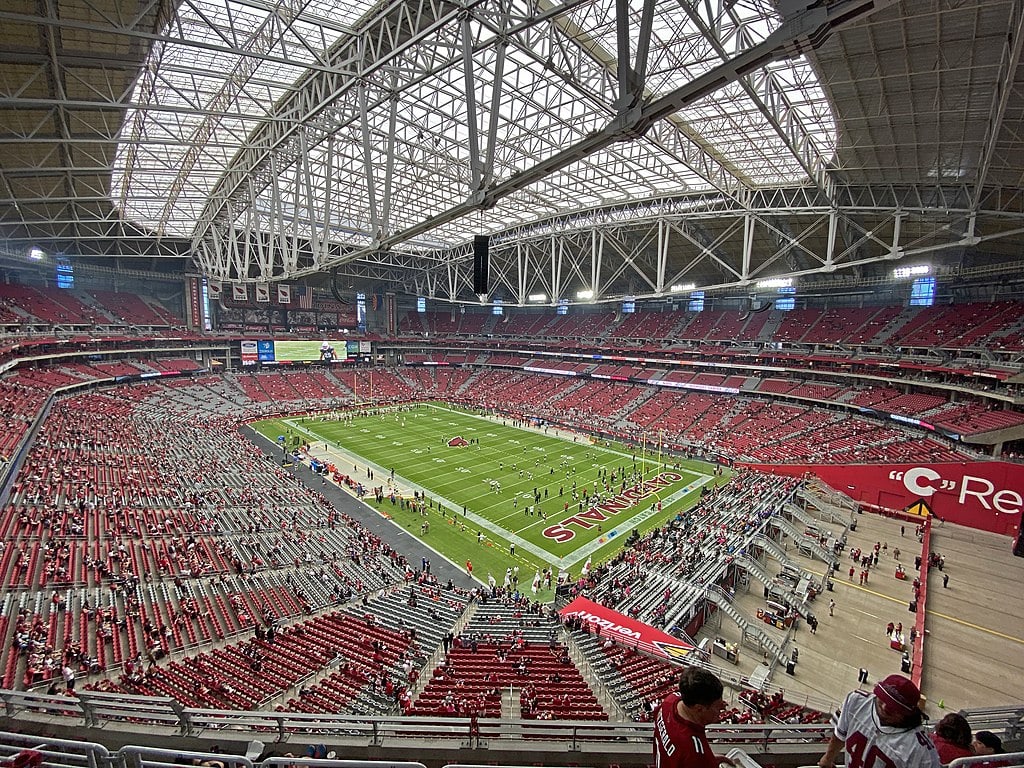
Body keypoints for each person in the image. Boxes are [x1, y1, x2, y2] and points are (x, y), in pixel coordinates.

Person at [818, 674, 939, 768]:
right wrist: (828, 759)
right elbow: (840, 734)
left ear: (908, 713)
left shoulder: (920, 750)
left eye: (894, 706)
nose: (885, 706)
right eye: (883, 698)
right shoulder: (855, 700)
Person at [653, 667, 735, 768]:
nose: (723, 708)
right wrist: (702, 761)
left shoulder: (670, 701)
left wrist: (708, 760)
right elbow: (690, 756)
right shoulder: (692, 750)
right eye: (717, 706)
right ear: (699, 708)